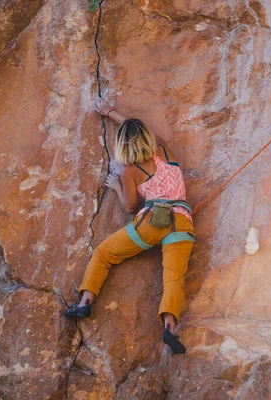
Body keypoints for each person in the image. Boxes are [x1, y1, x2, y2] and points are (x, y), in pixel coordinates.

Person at [64, 98, 194, 354]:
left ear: (122, 146)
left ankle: (85, 301)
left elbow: (130, 207)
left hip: (151, 222)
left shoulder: (129, 171)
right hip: (182, 221)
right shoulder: (164, 151)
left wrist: (116, 186)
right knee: (173, 278)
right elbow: (138, 128)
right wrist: (111, 112)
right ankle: (169, 328)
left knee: (104, 253)